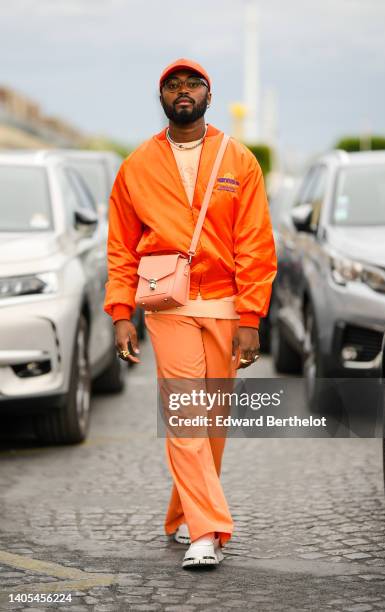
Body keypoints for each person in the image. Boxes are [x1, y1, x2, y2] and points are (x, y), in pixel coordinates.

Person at [104, 58, 277, 569]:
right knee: (186, 415)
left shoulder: (239, 160)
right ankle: (208, 531)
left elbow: (256, 245)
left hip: (225, 303)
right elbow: (120, 247)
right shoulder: (136, 165)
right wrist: (120, 312)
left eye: (192, 84)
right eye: (173, 85)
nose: (183, 91)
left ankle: (182, 515)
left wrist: (250, 319)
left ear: (208, 94)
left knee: (213, 424)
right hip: (168, 305)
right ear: (162, 98)